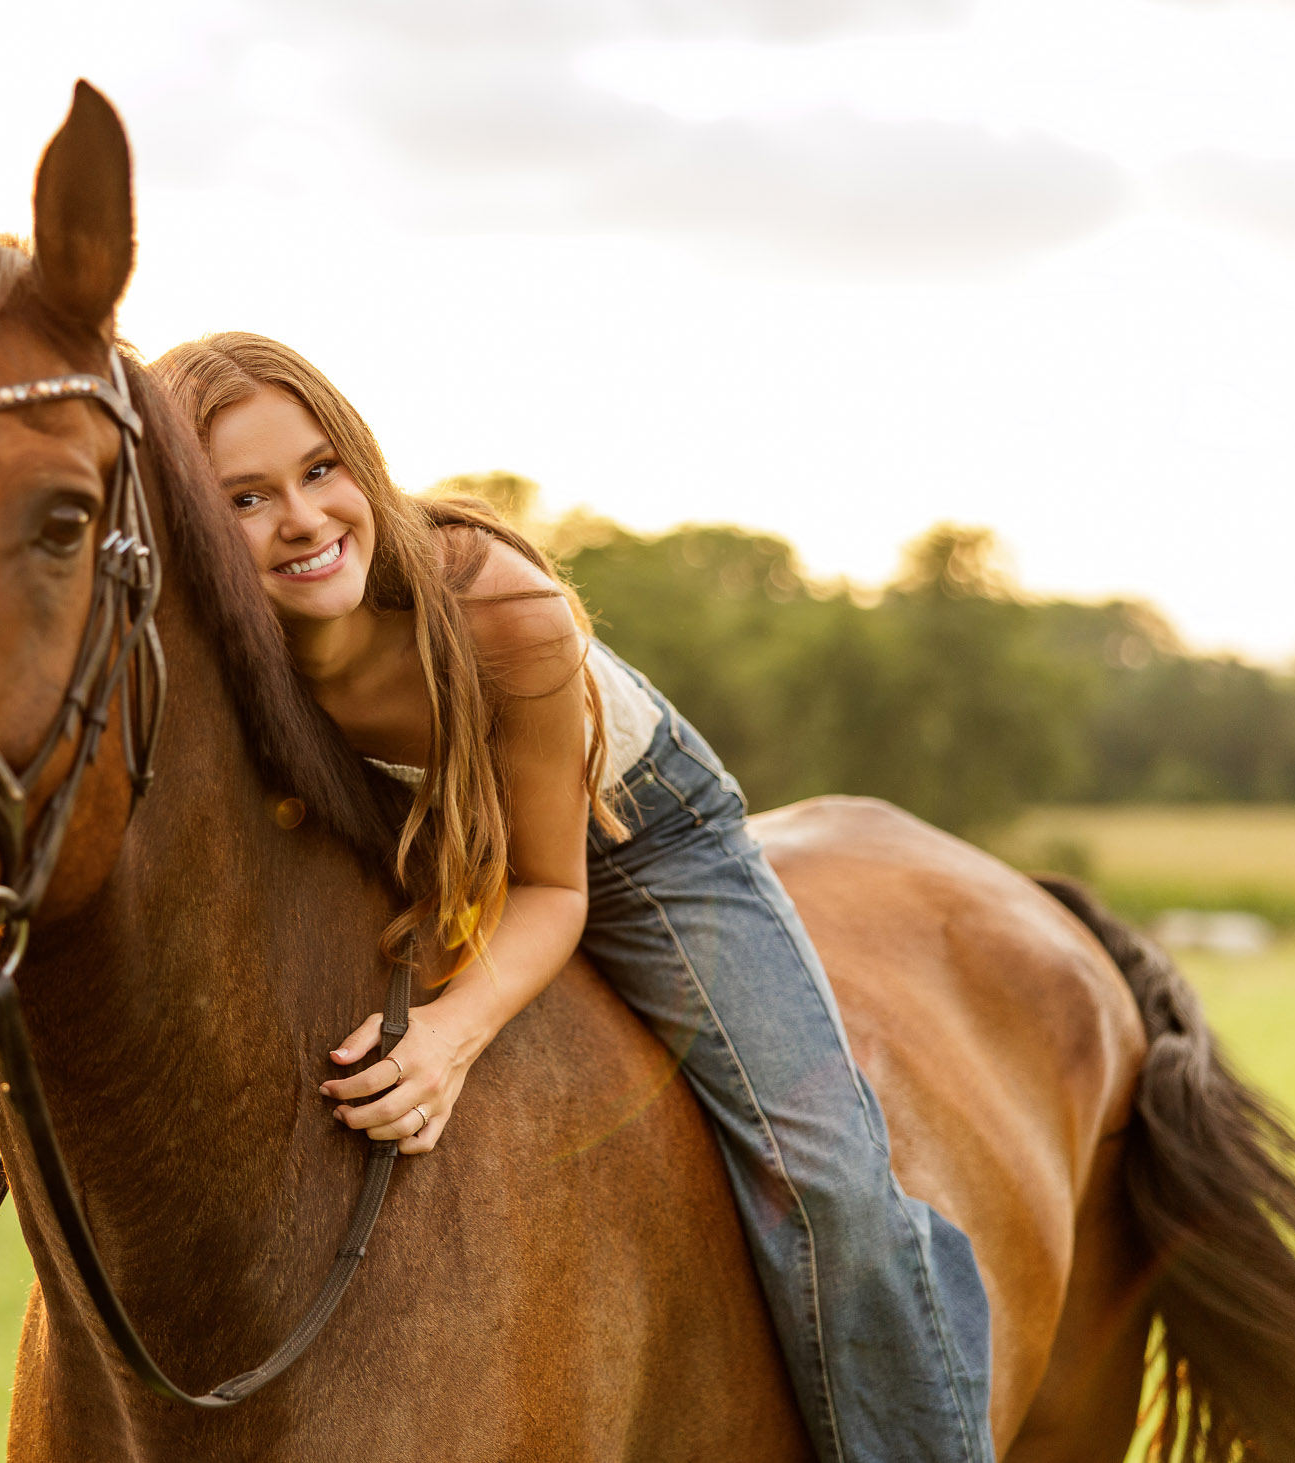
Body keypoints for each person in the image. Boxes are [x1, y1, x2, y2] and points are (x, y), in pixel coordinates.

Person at [152, 332, 995, 1463]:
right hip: (400, 839)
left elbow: (552, 883)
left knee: (825, 1174)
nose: (301, 518)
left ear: (361, 458)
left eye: (319, 469)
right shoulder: (195, 646)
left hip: (631, 836)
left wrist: (447, 1038)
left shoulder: (494, 604)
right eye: (244, 498)